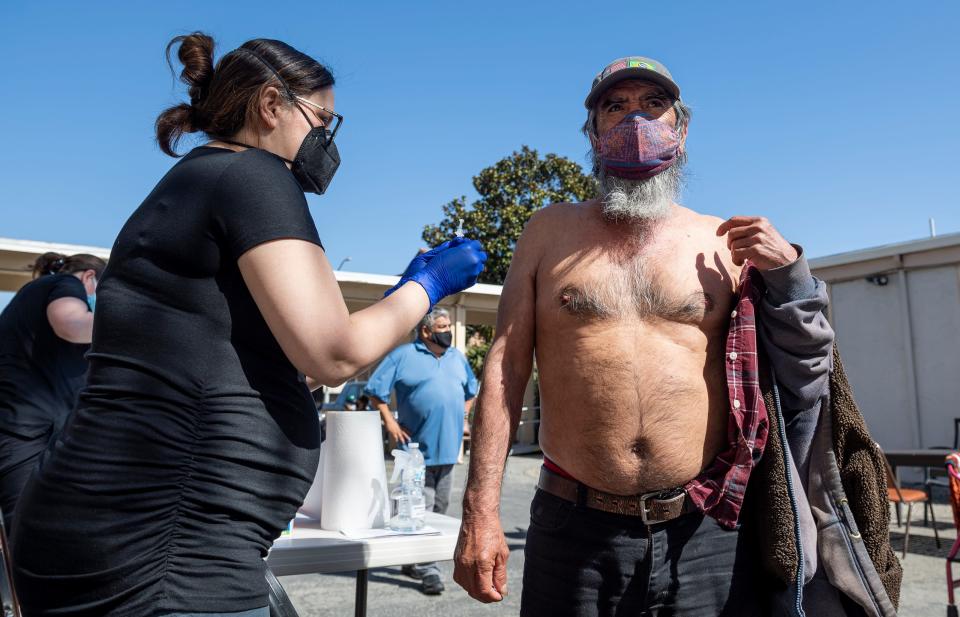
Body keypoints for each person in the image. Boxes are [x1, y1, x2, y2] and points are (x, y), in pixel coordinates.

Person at [12, 33, 486, 617]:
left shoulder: (197, 183)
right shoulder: (255, 177)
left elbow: (255, 362)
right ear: (269, 105)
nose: (328, 142)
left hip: (130, 535)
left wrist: (392, 301)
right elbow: (334, 355)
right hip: (166, 552)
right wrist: (428, 286)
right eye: (323, 121)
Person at [453, 57, 895, 616]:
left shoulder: (722, 241)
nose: (635, 122)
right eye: (616, 108)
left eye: (652, 106)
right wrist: (480, 511)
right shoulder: (547, 232)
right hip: (574, 527)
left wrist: (791, 274)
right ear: (592, 133)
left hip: (705, 527)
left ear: (681, 130)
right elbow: (504, 369)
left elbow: (805, 365)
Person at [365, 307, 478, 595]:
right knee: (421, 509)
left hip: (448, 449)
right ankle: (428, 570)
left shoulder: (456, 358)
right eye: (442, 325)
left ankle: (413, 559)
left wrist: (463, 416)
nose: (447, 330)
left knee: (439, 508)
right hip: (414, 452)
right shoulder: (403, 356)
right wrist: (389, 421)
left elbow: (472, 391)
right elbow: (375, 390)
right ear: (426, 331)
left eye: (448, 324)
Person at [0, 252, 105, 530]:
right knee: (29, 532)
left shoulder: (30, 298)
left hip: (25, 428)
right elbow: (70, 324)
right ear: (89, 277)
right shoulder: (65, 285)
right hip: (29, 431)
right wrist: (131, 323)